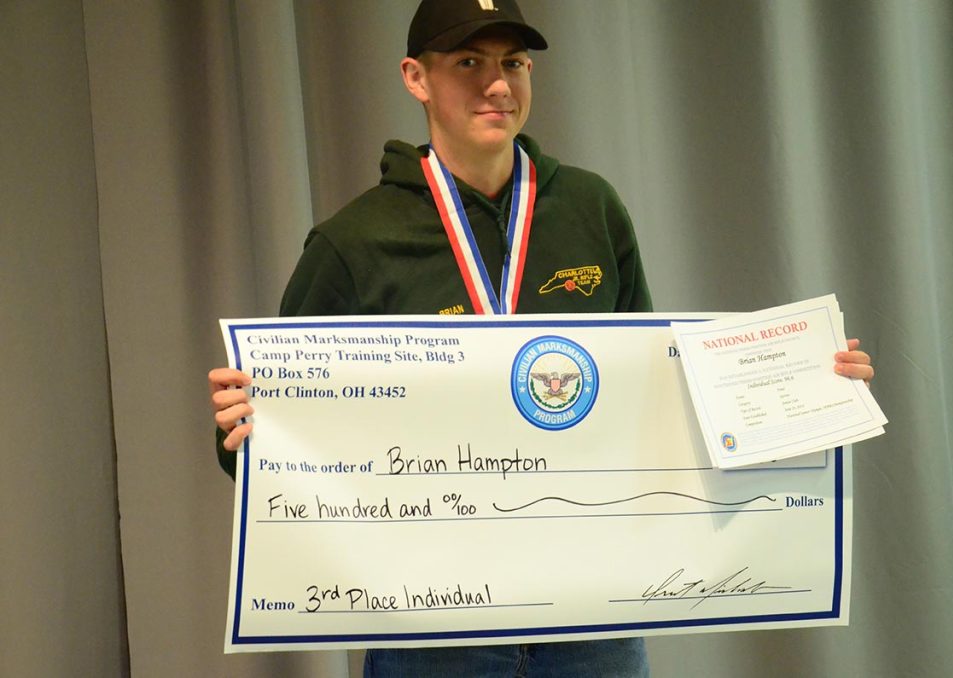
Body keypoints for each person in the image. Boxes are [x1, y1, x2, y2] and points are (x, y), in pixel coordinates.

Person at [209, 1, 875, 675]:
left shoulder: (590, 209)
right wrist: (245, 429)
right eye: (469, 62)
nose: (497, 85)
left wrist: (803, 391)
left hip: (592, 628)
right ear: (416, 78)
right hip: (437, 634)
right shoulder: (353, 243)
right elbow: (263, 443)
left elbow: (658, 397)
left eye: (514, 63)